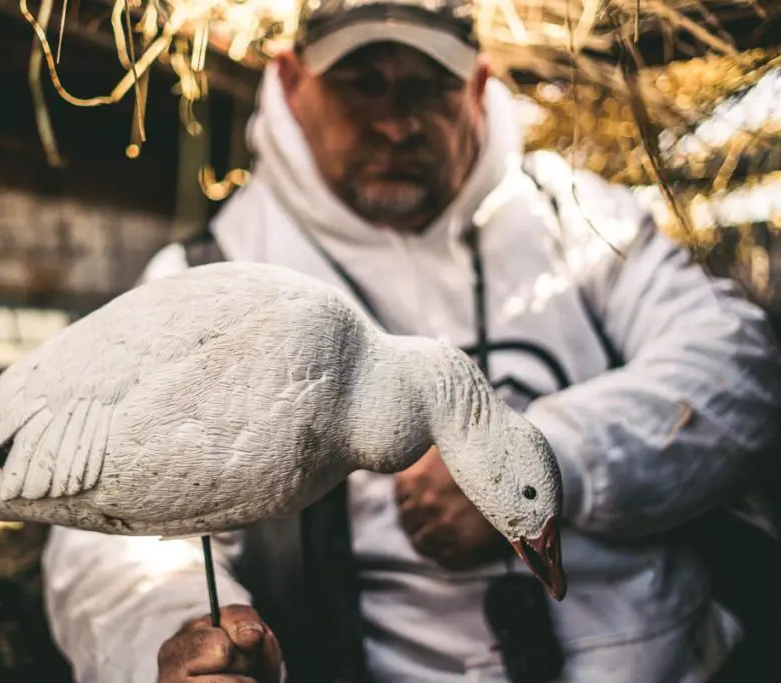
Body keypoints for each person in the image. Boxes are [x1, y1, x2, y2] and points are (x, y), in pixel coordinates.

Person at [40, 1, 781, 681]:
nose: (396, 124)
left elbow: (738, 366)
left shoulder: (578, 218)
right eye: (361, 84)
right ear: (293, 84)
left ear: (479, 82)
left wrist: (548, 460)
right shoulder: (205, 278)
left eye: (428, 86)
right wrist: (168, 634)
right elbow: (110, 527)